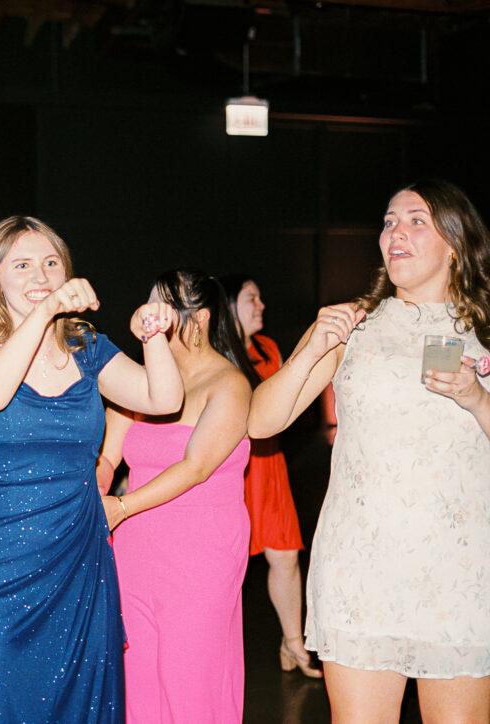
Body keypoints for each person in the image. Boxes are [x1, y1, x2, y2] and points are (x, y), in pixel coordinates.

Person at [248, 179, 490, 722]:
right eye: (388, 221)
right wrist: (313, 345)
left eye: (416, 220)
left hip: (461, 571)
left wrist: (477, 398)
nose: (395, 232)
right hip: (362, 568)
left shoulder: (485, 333)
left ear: (455, 242)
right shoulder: (354, 325)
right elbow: (261, 422)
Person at [0, 215, 184, 722]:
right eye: (23, 265)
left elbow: (163, 398)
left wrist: (154, 335)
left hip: (78, 560)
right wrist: (47, 309)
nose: (40, 275)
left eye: (51, 264)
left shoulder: (88, 348)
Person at [99, 269, 255, 724]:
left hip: (200, 551)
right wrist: (91, 496)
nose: (152, 318)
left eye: (164, 310)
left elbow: (196, 466)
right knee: (138, 678)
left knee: (191, 680)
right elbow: (108, 457)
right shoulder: (145, 381)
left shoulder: (230, 384)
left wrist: (122, 506)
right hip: (137, 549)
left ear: (199, 318)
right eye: (148, 307)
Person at [220, 274, 320, 678]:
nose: (261, 305)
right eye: (251, 298)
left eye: (260, 297)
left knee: (286, 556)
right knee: (227, 567)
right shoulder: (214, 352)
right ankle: (215, 652)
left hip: (269, 464)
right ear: (228, 307)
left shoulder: (268, 349)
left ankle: (292, 643)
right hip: (231, 466)